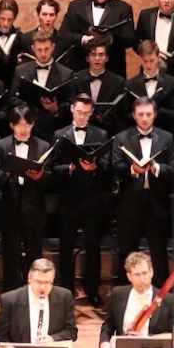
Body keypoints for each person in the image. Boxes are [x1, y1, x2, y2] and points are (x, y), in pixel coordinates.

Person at [52, 94, 111, 304]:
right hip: (68, 199)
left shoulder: (101, 134)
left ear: (92, 113)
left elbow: (108, 167)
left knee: (92, 246)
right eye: (79, 112)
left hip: (92, 199)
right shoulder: (59, 134)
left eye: (86, 113)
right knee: (66, 246)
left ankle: (92, 290)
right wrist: (69, 168)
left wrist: (95, 167)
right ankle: (66, 290)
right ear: (71, 110)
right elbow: (52, 167)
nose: (82, 117)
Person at [112, 96, 174, 283]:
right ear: (134, 115)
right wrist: (133, 169)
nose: (145, 118)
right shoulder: (121, 138)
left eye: (148, 114)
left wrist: (156, 167)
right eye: (140, 114)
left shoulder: (167, 138)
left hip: (157, 204)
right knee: (126, 251)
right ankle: (123, 294)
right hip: (129, 204)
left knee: (158, 253)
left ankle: (161, 298)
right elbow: (115, 166)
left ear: (155, 115)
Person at [0, 105, 54, 291]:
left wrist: (40, 176)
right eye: (19, 125)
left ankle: (36, 290)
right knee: (10, 255)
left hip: (34, 209)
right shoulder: (0, 146)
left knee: (35, 254)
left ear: (33, 124)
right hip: (9, 209)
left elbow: (51, 179)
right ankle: (12, 293)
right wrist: (6, 173)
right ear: (11, 125)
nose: (23, 129)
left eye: (27, 125)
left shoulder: (43, 146)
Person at [62, 0, 136, 77]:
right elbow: (63, 35)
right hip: (80, 70)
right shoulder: (76, 6)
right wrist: (83, 39)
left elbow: (130, 38)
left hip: (112, 72)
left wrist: (110, 38)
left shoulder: (123, 8)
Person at [10, 30, 73, 142]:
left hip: (53, 132)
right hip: (26, 131)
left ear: (53, 47)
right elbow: (12, 100)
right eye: (39, 50)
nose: (43, 54)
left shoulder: (66, 74)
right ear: (33, 48)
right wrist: (28, 105)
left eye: (46, 49)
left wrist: (56, 109)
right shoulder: (20, 71)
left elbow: (71, 106)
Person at [122, 41, 174, 138]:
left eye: (152, 60)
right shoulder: (130, 85)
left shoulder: (172, 82)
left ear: (158, 58)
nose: (148, 65)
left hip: (164, 135)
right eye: (145, 61)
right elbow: (125, 114)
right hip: (137, 136)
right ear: (140, 59)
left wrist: (155, 111)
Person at [70, 36, 124, 134]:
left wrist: (106, 117)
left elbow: (119, 111)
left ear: (107, 58)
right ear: (87, 58)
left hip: (107, 131)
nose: (97, 58)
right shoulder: (76, 78)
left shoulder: (117, 81)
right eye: (93, 55)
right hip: (80, 130)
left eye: (101, 55)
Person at [0, 0, 25, 85]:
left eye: (9, 19)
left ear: (14, 18)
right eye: (2, 19)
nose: (6, 23)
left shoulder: (21, 38)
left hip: (13, 85)